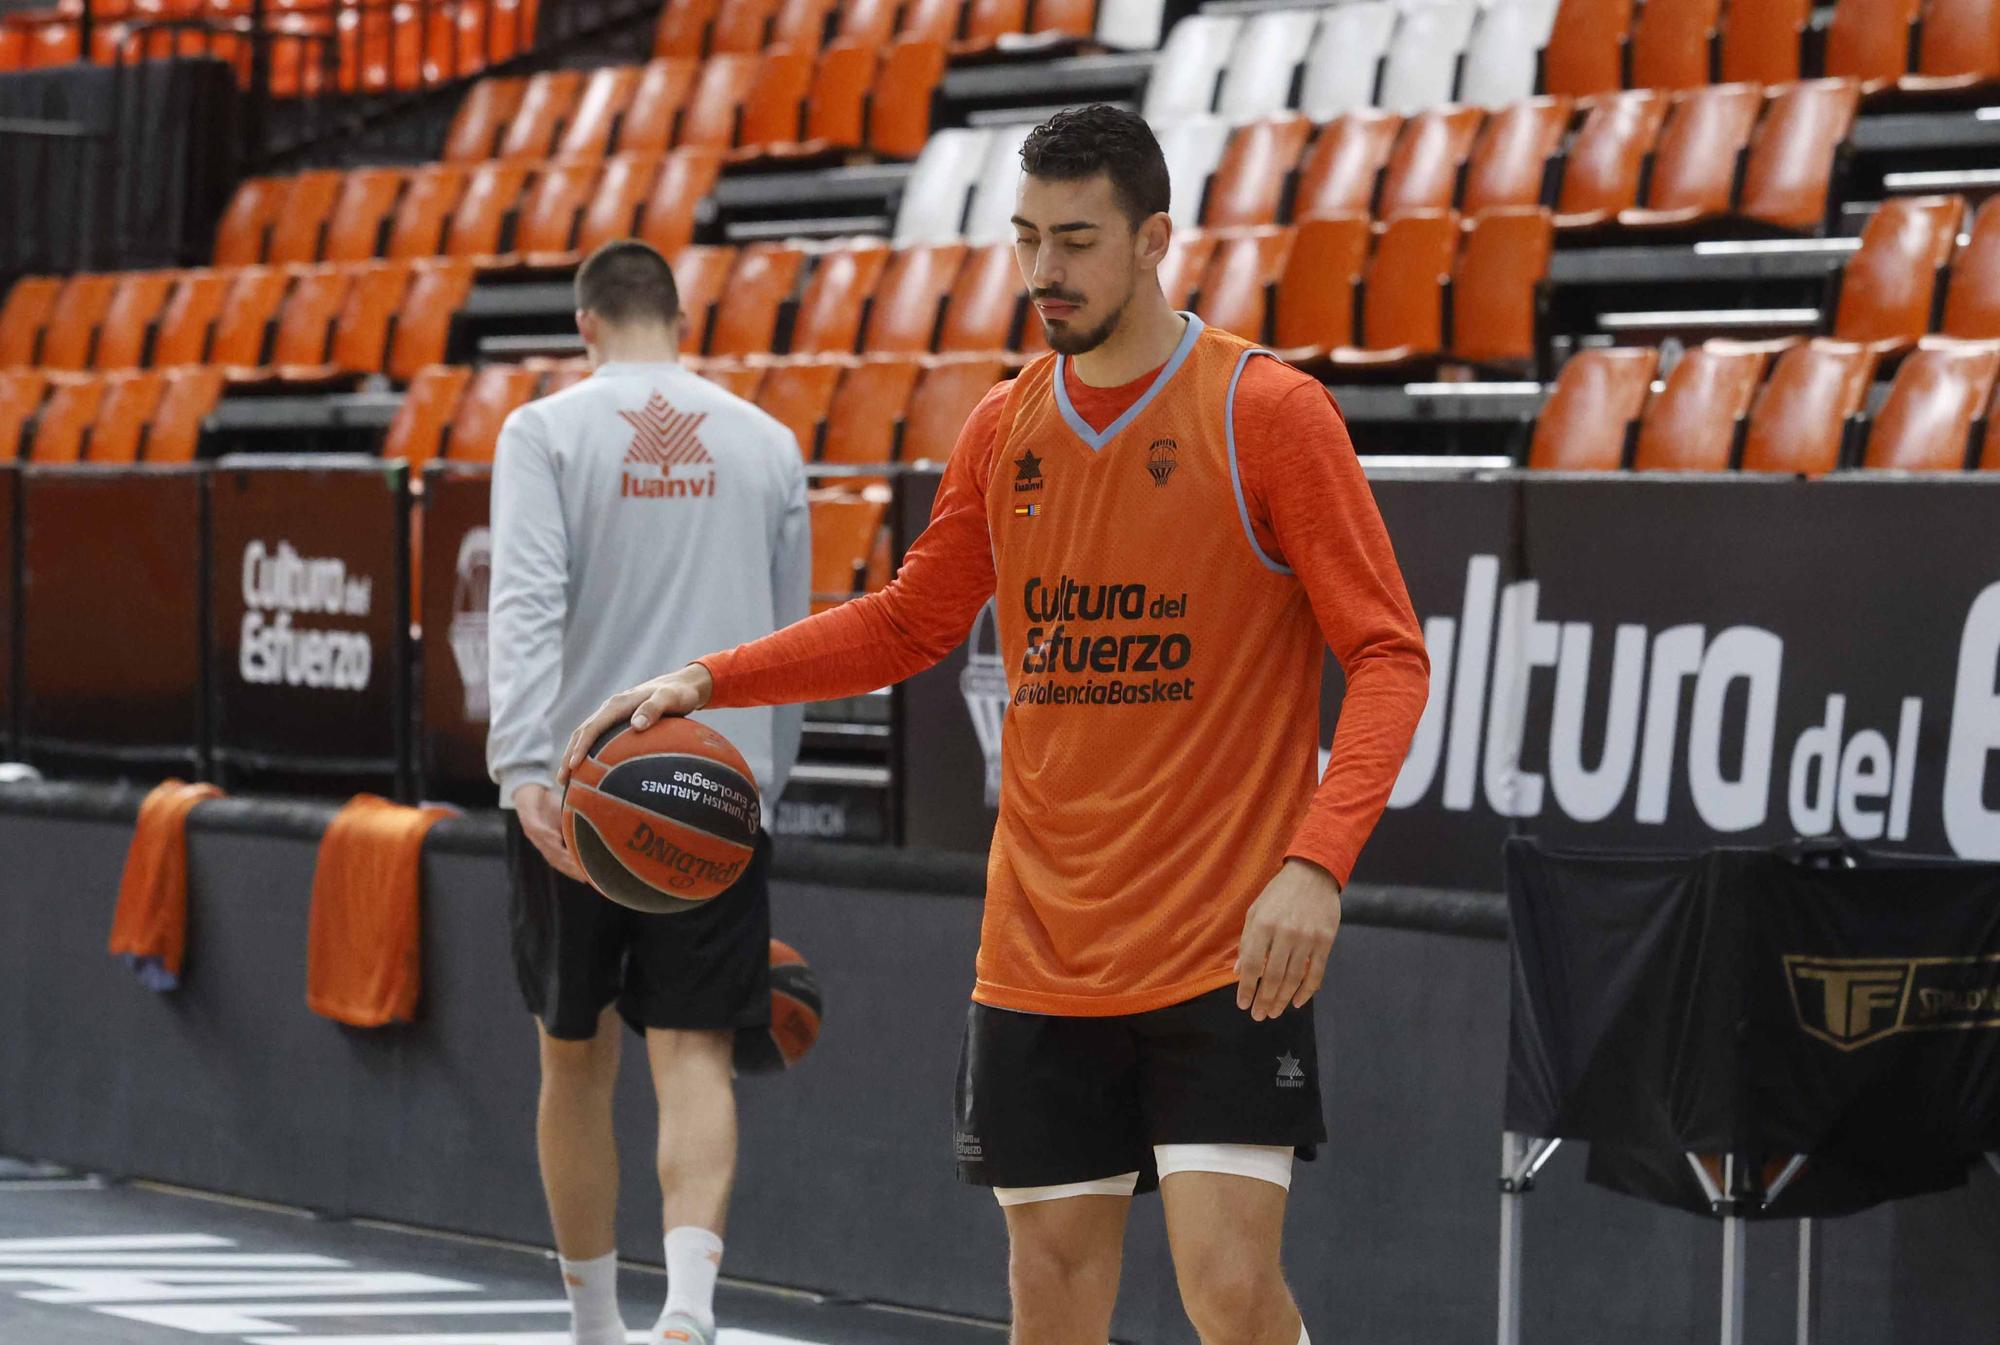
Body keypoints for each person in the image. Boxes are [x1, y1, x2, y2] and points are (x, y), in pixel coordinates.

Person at [559, 106, 1430, 1345]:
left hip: (1222, 943)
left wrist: (1316, 863)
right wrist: (711, 677)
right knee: (1052, 1301)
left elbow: (1388, 658)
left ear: (1153, 239)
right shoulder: (1004, 424)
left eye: (1074, 240)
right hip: (1038, 948)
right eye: (1025, 239)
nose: (1042, 273)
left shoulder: (1267, 414)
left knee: (1228, 1297)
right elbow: (911, 620)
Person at [486, 239, 809, 1345]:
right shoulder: (768, 443)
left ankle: (593, 1324)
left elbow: (524, 602)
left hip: (577, 794)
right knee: (696, 1051)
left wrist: (524, 767)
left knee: (572, 1058)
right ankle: (688, 1310)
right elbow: (792, 638)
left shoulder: (544, 430)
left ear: (585, 325)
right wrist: (766, 777)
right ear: (680, 318)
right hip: (716, 791)